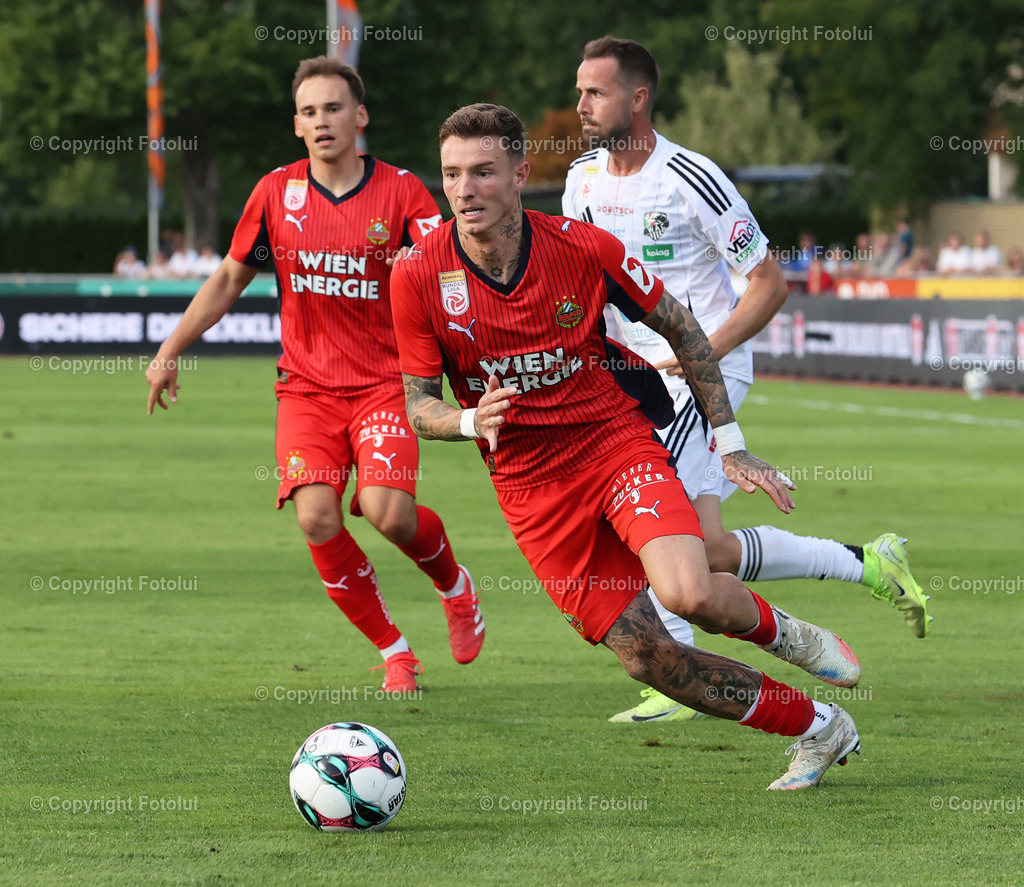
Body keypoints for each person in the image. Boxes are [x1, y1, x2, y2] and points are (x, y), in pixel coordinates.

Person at [391, 102, 867, 790]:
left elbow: (684, 330)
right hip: (531, 491)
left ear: (522, 173)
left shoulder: (583, 250)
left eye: (484, 172)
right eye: (453, 175)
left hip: (613, 446)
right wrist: (467, 422)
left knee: (690, 590)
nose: (465, 190)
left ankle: (784, 633)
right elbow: (416, 403)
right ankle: (820, 727)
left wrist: (729, 441)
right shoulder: (417, 275)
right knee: (651, 661)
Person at [561, 37, 929, 723]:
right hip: (632, 374)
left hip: (702, 372)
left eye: (595, 92)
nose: (580, 105)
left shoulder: (690, 177)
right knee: (703, 547)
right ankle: (868, 563)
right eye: (579, 90)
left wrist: (693, 351)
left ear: (637, 98)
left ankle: (677, 673)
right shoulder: (581, 178)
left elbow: (767, 283)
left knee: (644, 520)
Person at [145, 56, 482, 692]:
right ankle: (396, 652)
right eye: (309, 111)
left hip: (387, 385)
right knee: (316, 516)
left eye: (333, 108)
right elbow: (227, 280)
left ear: (360, 116)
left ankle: (454, 585)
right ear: (296, 125)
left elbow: (448, 277)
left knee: (389, 514)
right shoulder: (276, 193)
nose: (322, 121)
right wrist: (171, 349)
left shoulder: (404, 192)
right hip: (307, 388)